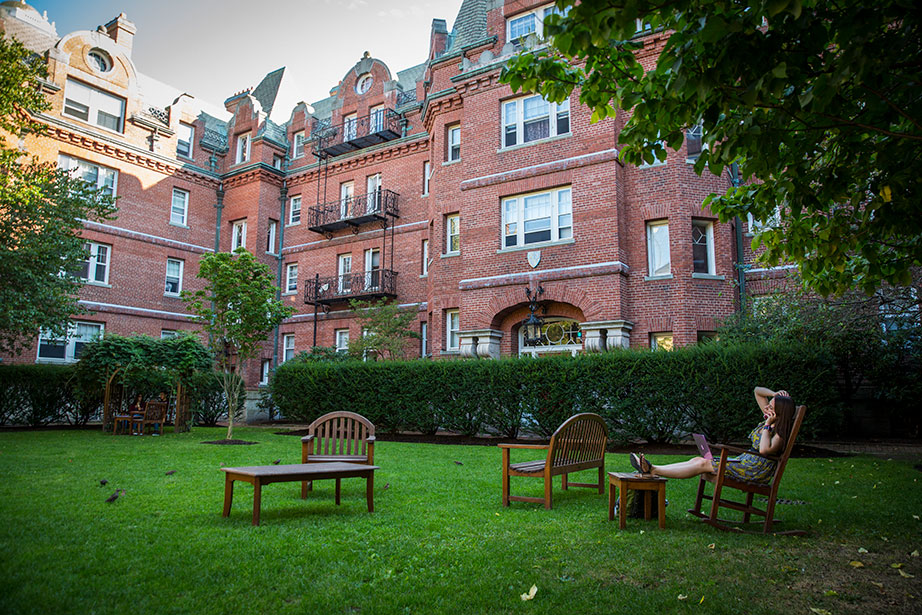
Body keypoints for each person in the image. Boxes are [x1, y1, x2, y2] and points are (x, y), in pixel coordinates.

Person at [629, 386, 795, 483]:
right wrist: (774, 394)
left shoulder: (778, 433)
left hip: (753, 470)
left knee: (703, 465)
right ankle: (652, 470)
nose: (767, 409)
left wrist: (767, 425)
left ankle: (652, 470)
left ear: (780, 412)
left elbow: (765, 451)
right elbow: (757, 391)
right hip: (745, 463)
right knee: (698, 460)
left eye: (771, 407)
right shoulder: (770, 421)